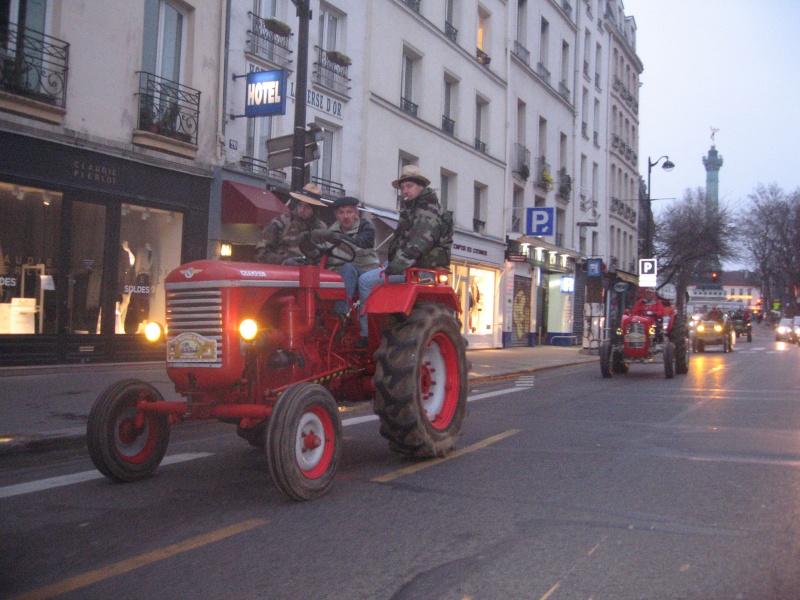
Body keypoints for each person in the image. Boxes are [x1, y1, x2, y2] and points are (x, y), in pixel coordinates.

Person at [357, 165, 451, 347]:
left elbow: (417, 244)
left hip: (423, 270)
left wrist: (394, 267)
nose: (405, 191)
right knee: (362, 276)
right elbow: (404, 243)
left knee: (365, 282)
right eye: (403, 188)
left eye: (409, 186)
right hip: (410, 266)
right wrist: (389, 263)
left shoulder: (426, 212)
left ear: (420, 186)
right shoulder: (414, 209)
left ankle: (366, 335)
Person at [255, 183, 326, 265]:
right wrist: (283, 261)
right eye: (300, 205)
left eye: (307, 207)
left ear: (315, 209)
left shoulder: (321, 228)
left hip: (310, 273)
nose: (302, 210)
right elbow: (261, 252)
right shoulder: (280, 222)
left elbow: (326, 255)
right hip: (283, 272)